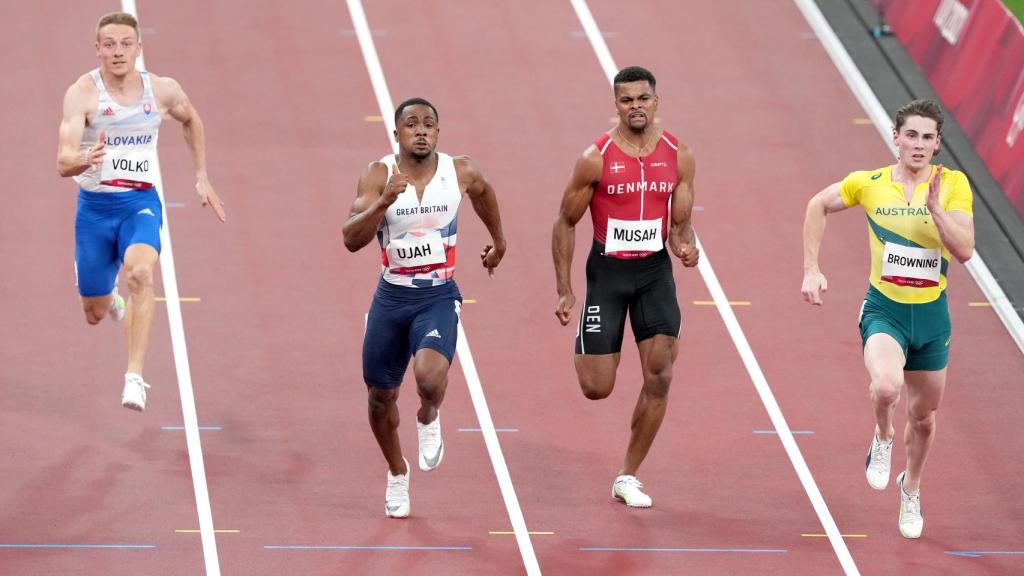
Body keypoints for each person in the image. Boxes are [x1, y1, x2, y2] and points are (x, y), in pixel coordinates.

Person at [802, 99, 974, 538]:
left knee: (925, 418)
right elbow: (817, 205)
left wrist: (936, 210)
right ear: (895, 138)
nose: (918, 144)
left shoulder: (953, 185)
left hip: (932, 318)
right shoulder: (869, 183)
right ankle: (882, 437)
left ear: (938, 145)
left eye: (927, 137)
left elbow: (965, 250)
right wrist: (812, 268)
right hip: (885, 309)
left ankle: (910, 488)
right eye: (910, 135)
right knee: (886, 386)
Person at [342, 98, 507, 518]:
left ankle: (428, 416)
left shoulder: (460, 171)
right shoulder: (379, 174)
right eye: (411, 124)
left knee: (430, 379)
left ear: (438, 133)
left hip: (436, 295)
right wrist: (383, 203)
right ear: (396, 134)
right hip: (392, 298)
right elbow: (349, 238)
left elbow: (484, 193)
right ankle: (398, 472)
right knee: (380, 396)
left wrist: (499, 241)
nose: (420, 130)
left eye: (428, 124)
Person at [57, 12, 225, 412]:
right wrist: (85, 158)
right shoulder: (82, 94)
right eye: (109, 45)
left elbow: (192, 120)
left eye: (125, 44)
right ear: (97, 49)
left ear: (138, 48)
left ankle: (134, 377)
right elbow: (62, 162)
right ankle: (110, 301)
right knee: (94, 313)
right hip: (95, 210)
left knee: (140, 272)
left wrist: (201, 176)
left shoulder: (162, 91)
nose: (118, 52)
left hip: (140, 205)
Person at [552, 66, 699, 508]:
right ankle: (591, 340)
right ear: (615, 105)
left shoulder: (680, 155)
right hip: (608, 274)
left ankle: (628, 475)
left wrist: (685, 247)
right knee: (596, 388)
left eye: (643, 98)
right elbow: (565, 222)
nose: (635, 106)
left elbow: (679, 226)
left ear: (657, 102)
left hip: (654, 273)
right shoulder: (595, 158)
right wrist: (564, 288)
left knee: (661, 374)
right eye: (626, 100)